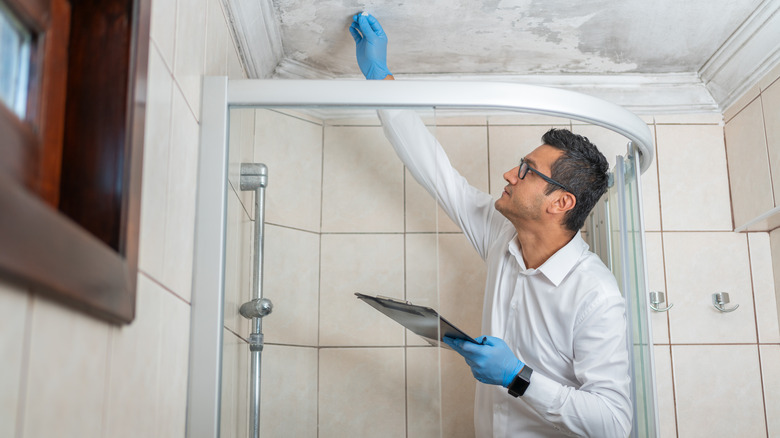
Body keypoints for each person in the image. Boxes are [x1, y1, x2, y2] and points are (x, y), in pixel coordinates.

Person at [350, 13, 632, 438]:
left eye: (526, 170)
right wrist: (380, 79)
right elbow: (436, 171)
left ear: (561, 202)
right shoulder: (502, 236)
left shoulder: (595, 296)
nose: (508, 174)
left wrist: (518, 376)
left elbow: (613, 423)